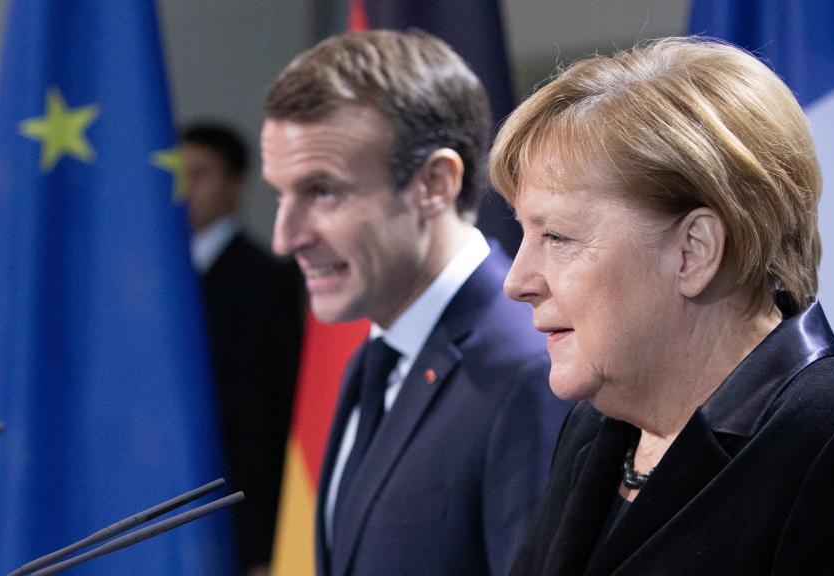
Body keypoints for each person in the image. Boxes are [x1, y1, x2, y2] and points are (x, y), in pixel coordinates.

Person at [491, 37, 834, 575]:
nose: (518, 282)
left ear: (694, 251)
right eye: (525, 234)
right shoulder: (596, 432)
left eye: (557, 236)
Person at [261, 30, 571, 576]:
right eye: (280, 194)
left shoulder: (528, 370)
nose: (284, 239)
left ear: (435, 183)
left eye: (322, 192)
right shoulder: (376, 357)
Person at [180, 122, 304, 576]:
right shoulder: (158, 284)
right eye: (177, 173)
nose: (185, 188)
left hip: (238, 515)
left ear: (236, 184)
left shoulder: (262, 279)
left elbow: (266, 419)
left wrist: (262, 543)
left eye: (200, 174)